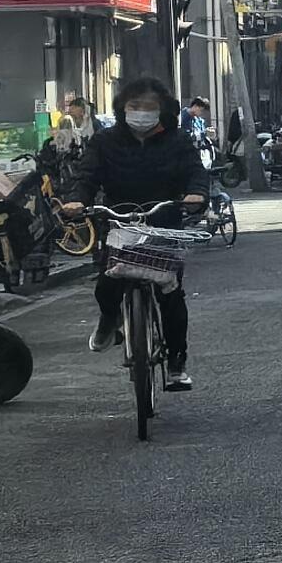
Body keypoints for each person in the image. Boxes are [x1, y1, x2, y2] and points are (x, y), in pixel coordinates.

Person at [82, 72, 212, 390]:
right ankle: (109, 319)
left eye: (149, 107)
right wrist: (76, 201)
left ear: (162, 110)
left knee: (171, 295)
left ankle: (177, 363)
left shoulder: (178, 141)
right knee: (107, 285)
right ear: (122, 108)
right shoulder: (104, 142)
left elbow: (195, 173)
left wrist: (196, 194)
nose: (141, 112)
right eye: (134, 105)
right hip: (120, 221)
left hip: (164, 223)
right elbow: (86, 177)